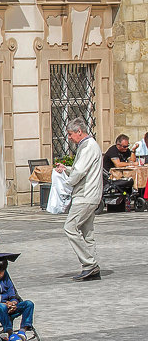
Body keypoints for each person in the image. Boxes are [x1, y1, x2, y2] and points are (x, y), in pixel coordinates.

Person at [55, 119, 103, 281]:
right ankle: (91, 268)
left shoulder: (89, 146)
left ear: (79, 132)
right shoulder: (87, 146)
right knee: (87, 233)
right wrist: (66, 169)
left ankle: (90, 263)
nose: (69, 137)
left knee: (70, 227)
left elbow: (80, 171)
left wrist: (66, 184)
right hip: (90, 194)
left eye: (70, 134)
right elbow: (80, 169)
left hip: (85, 195)